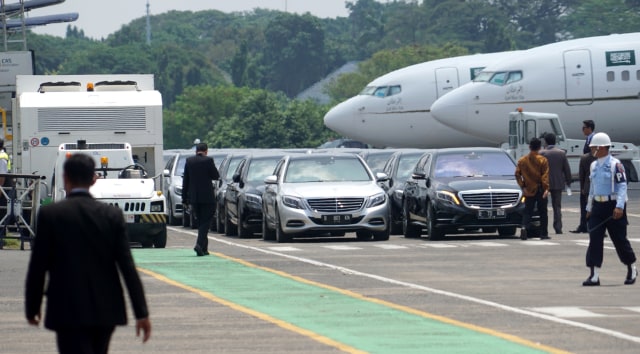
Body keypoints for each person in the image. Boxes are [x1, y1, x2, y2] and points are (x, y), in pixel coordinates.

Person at [25, 153, 151, 353]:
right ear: (94, 179)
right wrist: (141, 313)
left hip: (66, 307)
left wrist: (32, 307)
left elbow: (38, 266)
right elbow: (127, 267)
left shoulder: (50, 215)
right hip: (105, 307)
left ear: (65, 177)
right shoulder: (112, 215)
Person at [583, 132, 637, 286]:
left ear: (601, 148)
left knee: (619, 240)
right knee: (594, 239)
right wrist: (589, 207)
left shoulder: (616, 165)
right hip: (598, 206)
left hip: (613, 206)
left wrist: (620, 206)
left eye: (593, 147)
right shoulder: (594, 165)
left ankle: (631, 267)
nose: (591, 149)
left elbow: (622, 186)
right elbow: (592, 188)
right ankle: (594, 275)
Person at [182, 142, 220, 256]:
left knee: (200, 222)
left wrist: (184, 198)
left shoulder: (189, 161)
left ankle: (204, 248)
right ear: (206, 151)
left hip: (194, 197)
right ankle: (199, 245)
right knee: (206, 222)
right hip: (207, 197)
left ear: (196, 151)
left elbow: (186, 181)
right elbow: (215, 176)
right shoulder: (208, 160)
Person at [515, 137, 550, 240]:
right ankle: (543, 233)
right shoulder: (543, 160)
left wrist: (522, 186)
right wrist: (546, 188)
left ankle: (524, 227)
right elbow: (545, 175)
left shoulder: (522, 160)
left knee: (527, 211)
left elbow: (517, 174)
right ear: (539, 148)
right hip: (540, 189)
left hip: (528, 189)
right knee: (543, 212)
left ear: (529, 147)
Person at [540, 133, 572, 234]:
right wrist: (568, 181)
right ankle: (558, 227)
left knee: (543, 206)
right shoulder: (561, 153)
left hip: (544, 182)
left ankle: (543, 227)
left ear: (545, 141)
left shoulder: (542, 153)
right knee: (557, 206)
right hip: (558, 182)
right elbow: (566, 169)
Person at [571, 152, 596, 233]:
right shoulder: (600, 157)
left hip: (587, 186)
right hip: (598, 187)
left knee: (587, 207)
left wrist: (582, 187)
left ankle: (587, 226)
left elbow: (581, 175)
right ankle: (595, 227)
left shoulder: (584, 158)